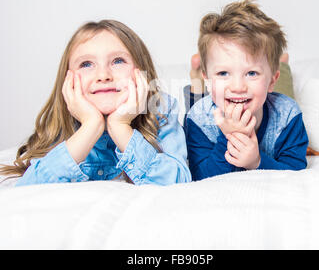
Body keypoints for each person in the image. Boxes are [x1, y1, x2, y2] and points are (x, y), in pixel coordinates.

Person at [0, 20, 191, 186]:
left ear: (141, 73)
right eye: (86, 64)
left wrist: (120, 127)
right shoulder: (64, 119)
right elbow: (28, 190)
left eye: (118, 61)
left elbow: (178, 183)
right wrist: (90, 127)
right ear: (67, 81)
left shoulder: (161, 110)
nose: (103, 75)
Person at [184, 0, 308, 181]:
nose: (238, 87)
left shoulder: (288, 115)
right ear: (208, 79)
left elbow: (296, 172)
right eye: (223, 72)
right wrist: (228, 137)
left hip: (272, 97)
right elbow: (200, 177)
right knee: (194, 97)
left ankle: (282, 65)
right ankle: (197, 78)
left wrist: (257, 162)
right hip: (206, 100)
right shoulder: (198, 119)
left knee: (281, 95)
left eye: (251, 73)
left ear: (273, 80)